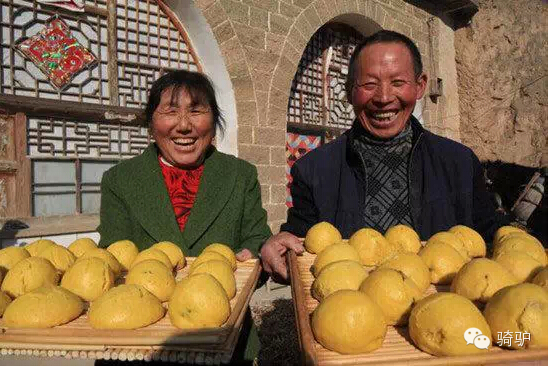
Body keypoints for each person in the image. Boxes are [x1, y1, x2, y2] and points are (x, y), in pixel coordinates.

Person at [260, 30, 508, 280]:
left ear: (420, 85)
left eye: (398, 83)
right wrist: (278, 246)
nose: (384, 98)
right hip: (347, 311)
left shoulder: (459, 163)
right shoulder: (313, 170)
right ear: (349, 91)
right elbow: (300, 240)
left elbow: (490, 237)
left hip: (443, 311)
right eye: (369, 84)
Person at [97, 70, 271, 363]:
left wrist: (252, 258)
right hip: (139, 342)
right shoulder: (120, 180)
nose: (184, 126)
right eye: (170, 111)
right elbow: (114, 253)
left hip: (222, 337)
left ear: (213, 121)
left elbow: (257, 237)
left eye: (196, 111)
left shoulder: (240, 176)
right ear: (152, 123)